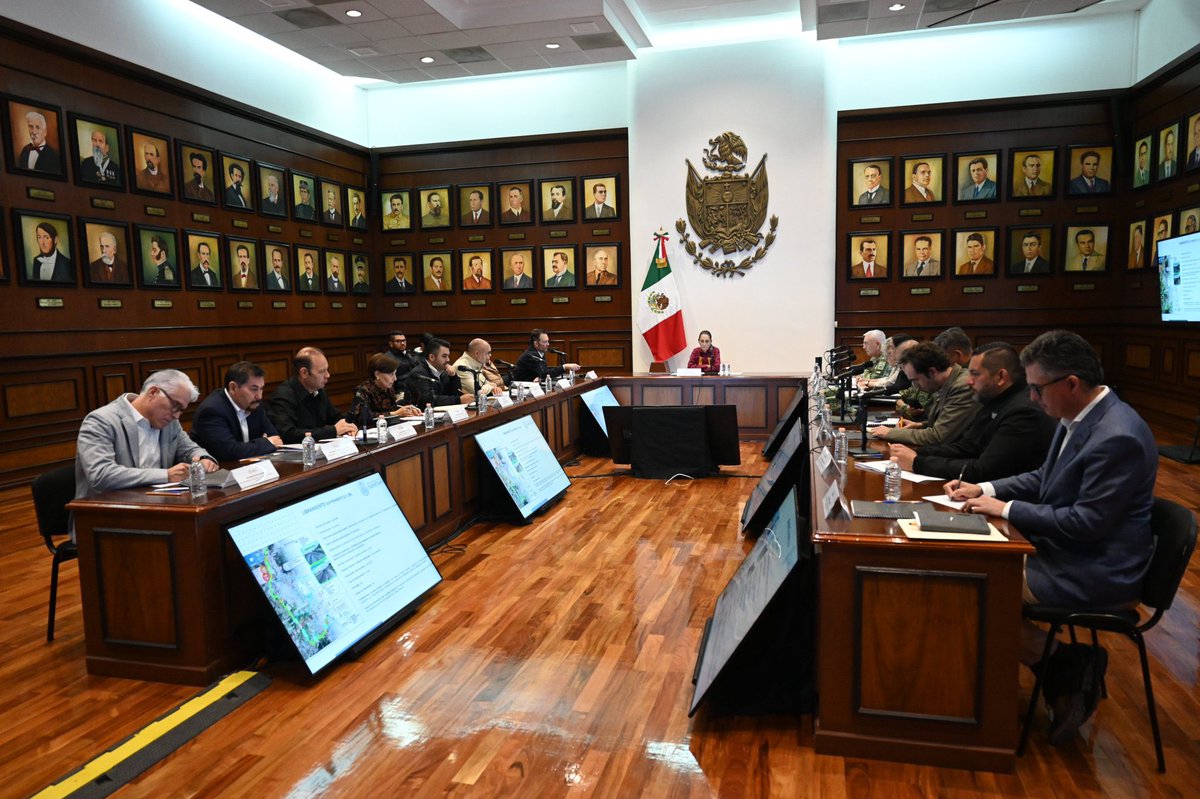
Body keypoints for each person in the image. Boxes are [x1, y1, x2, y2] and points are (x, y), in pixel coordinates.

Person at [948, 330, 1156, 744]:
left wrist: (1004, 510)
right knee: (967, 574)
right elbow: (1045, 477)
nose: (1032, 399)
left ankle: (1062, 663)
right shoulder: (1078, 417)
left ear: (1072, 384)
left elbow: (1086, 523)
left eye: (1037, 389)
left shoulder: (1118, 436)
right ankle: (1062, 665)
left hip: (1094, 570)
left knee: (969, 587)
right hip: (1067, 553)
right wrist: (986, 490)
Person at [887, 343, 1055, 482]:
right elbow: (968, 446)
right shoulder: (993, 398)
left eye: (975, 374)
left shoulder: (1023, 412)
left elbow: (985, 470)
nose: (969, 381)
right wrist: (917, 453)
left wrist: (918, 463)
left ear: (1001, 377)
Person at [74, 370, 217, 527]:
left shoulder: (170, 423)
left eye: (181, 410)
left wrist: (204, 458)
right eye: (175, 406)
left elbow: (190, 449)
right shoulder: (101, 421)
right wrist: (166, 475)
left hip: (158, 507)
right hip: (107, 516)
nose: (177, 416)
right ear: (153, 392)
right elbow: (101, 475)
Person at [868, 341, 975, 447]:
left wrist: (889, 433)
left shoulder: (962, 387)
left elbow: (938, 437)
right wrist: (920, 425)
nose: (916, 386)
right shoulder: (943, 382)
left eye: (916, 380)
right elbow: (944, 421)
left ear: (932, 372)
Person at [190, 361, 284, 460]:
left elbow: (274, 437)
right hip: (221, 471)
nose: (259, 396)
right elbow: (230, 451)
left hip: (252, 469)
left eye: (261, 389)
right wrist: (265, 443)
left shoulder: (255, 404)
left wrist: (256, 446)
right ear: (233, 387)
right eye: (254, 389)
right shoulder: (211, 410)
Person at [267, 347, 358, 443]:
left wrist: (347, 427)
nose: (328, 375)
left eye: (327, 370)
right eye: (322, 371)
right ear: (304, 373)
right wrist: (333, 431)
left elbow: (335, 418)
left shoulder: (318, 390)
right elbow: (288, 434)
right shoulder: (282, 396)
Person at [346, 354, 420, 424]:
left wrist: (407, 409)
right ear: (377, 374)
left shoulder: (388, 388)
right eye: (391, 374)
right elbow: (363, 417)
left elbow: (392, 408)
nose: (395, 378)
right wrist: (395, 413)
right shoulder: (363, 391)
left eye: (395, 374)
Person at [404, 338, 473, 408]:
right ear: (432, 357)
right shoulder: (418, 374)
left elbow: (456, 394)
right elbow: (428, 400)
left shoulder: (444, 372)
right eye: (444, 356)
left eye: (448, 356)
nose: (448, 360)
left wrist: (453, 377)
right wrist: (458, 400)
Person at [513, 328, 581, 382]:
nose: (548, 344)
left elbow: (542, 373)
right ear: (536, 343)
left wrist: (539, 377)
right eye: (545, 342)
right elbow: (545, 374)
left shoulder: (540, 352)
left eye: (548, 341)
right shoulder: (530, 356)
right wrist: (564, 367)